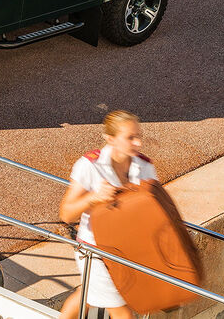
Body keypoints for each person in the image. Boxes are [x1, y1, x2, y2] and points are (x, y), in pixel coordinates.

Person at [58, 110, 157, 319]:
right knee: (120, 309)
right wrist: (93, 198)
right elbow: (66, 213)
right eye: (131, 137)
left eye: (139, 136)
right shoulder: (89, 165)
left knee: (86, 294)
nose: (138, 143)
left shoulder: (145, 166)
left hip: (129, 250)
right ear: (110, 139)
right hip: (95, 251)